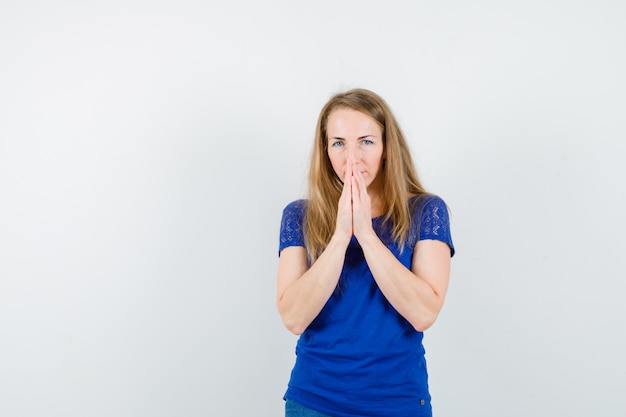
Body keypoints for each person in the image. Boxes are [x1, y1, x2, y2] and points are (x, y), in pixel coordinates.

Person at [276, 88, 455, 417]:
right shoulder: (299, 215)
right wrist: (342, 235)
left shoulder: (426, 211)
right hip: (314, 402)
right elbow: (293, 317)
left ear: (387, 148)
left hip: (397, 402)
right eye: (339, 143)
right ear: (326, 150)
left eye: (366, 141)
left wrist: (368, 236)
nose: (352, 158)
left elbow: (424, 313)